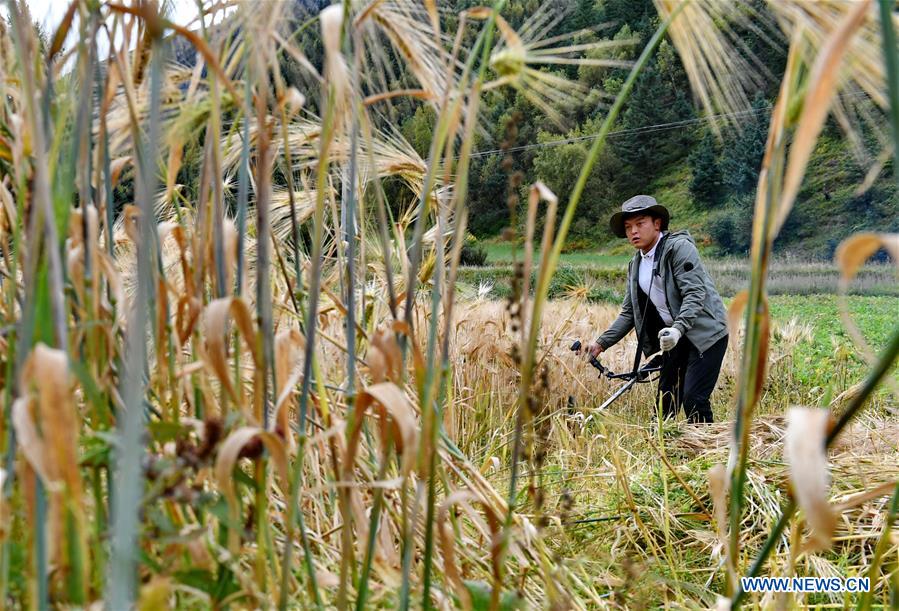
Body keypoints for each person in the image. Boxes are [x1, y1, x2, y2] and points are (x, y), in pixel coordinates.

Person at [580, 195, 729, 423]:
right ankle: (664, 450)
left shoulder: (679, 249)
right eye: (628, 227)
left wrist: (677, 329)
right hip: (676, 336)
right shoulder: (636, 264)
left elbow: (695, 294)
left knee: (694, 399)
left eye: (640, 224)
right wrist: (600, 344)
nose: (633, 232)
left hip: (705, 333)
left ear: (657, 224)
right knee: (665, 400)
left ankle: (708, 451)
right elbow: (629, 313)